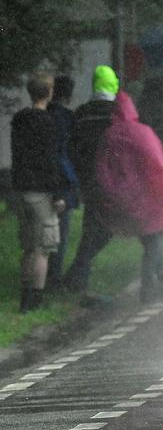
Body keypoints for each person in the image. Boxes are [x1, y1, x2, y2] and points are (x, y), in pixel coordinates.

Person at [94, 90, 163, 303]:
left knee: (148, 238)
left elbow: (103, 170)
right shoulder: (143, 132)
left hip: (124, 197)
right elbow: (157, 159)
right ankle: (149, 287)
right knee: (152, 239)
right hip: (148, 194)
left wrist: (112, 194)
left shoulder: (109, 135)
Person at [11, 73, 70, 312]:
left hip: (22, 189)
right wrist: (58, 194)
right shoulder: (48, 122)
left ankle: (24, 295)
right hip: (42, 192)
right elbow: (50, 160)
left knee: (28, 246)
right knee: (42, 249)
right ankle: (34, 299)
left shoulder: (19, 119)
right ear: (49, 92)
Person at [62, 65, 119, 293]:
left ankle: (77, 277)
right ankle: (76, 277)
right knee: (105, 229)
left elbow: (73, 146)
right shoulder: (117, 113)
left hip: (87, 179)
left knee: (93, 226)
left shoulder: (82, 113)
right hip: (112, 180)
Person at [46, 75, 79, 291]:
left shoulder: (44, 114)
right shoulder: (66, 118)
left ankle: (44, 277)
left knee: (44, 234)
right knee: (61, 232)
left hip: (43, 180)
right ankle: (54, 279)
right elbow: (67, 152)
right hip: (63, 180)